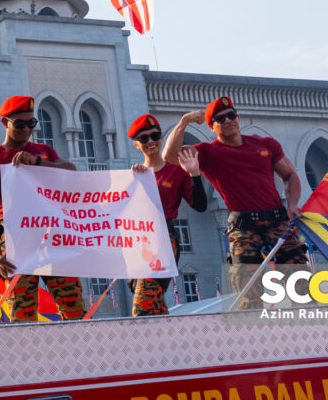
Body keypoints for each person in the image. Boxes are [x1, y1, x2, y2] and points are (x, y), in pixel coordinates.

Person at [162, 96, 306, 309]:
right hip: (243, 227)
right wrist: (184, 121)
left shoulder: (266, 144)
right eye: (220, 118)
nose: (228, 120)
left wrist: (293, 204)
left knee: (302, 287)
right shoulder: (208, 152)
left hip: (278, 221)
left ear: (238, 117)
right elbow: (170, 156)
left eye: (231, 115)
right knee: (248, 295)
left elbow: (289, 175)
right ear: (212, 127)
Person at [0, 95, 86, 322]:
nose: (27, 129)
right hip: (17, 239)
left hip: (54, 236)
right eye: (20, 124)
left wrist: (37, 162)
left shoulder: (43, 152)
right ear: (4, 123)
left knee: (74, 309)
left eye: (31, 123)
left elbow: (71, 172)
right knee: (22, 314)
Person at [128, 114, 207, 316]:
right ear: (137, 145)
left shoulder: (175, 172)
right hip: (139, 243)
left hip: (164, 239)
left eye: (155, 135)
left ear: (161, 138)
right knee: (153, 300)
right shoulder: (132, 176)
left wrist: (194, 174)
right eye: (144, 138)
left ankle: (145, 345)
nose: (151, 141)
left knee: (143, 304)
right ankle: (167, 342)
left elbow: (199, 205)